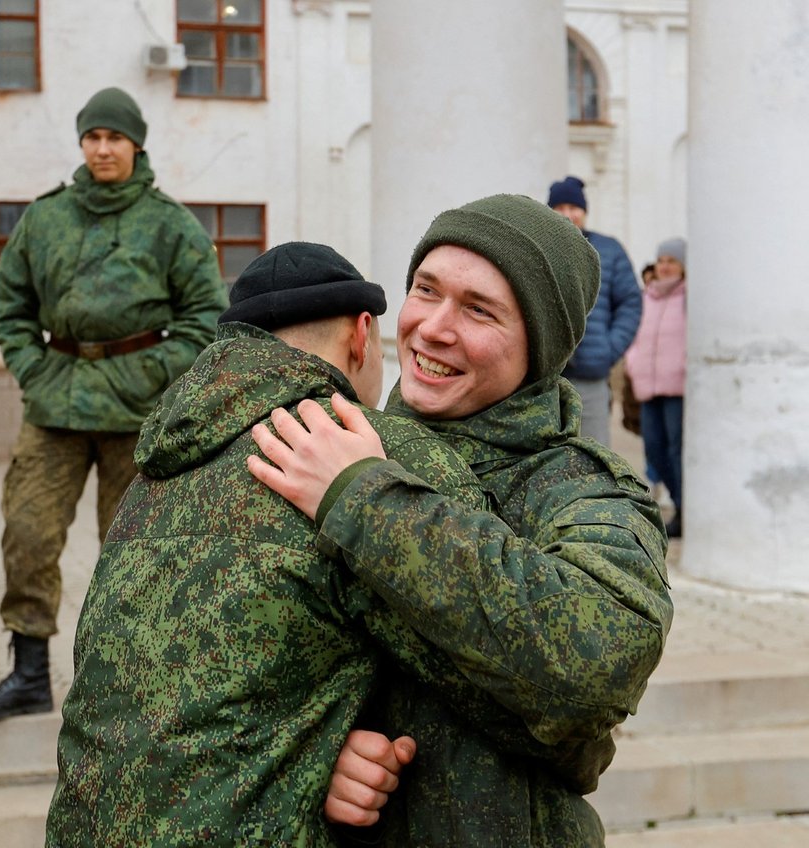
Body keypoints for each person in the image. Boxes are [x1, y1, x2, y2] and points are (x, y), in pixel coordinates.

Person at [47, 242, 601, 845]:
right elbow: (523, 699)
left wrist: (325, 746)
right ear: (362, 336)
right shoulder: (375, 451)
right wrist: (584, 751)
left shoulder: (157, 468)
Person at [249, 196, 673, 846]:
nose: (432, 328)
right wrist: (316, 754)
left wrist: (366, 502)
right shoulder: (327, 448)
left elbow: (599, 660)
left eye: (479, 310)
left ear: (541, 343)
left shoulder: (581, 491)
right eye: (426, 290)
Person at [0, 88, 227, 722]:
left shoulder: (170, 226)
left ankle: (131, 682)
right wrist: (33, 370)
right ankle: (27, 675)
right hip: (55, 405)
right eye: (92, 137)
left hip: (137, 415)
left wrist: (151, 378)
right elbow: (12, 309)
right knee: (27, 533)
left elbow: (205, 319)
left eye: (115, 138)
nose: (103, 149)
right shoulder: (45, 218)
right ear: (82, 144)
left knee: (134, 550)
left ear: (137, 144)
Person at [547, 176, 642, 446]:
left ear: (584, 211)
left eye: (573, 207)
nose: (567, 214)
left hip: (591, 375)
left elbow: (630, 302)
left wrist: (609, 349)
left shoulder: (609, 250)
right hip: (547, 377)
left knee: (594, 451)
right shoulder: (541, 249)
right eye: (559, 207)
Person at [625, 238, 687, 538]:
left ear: (683, 267)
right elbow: (635, 337)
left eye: (671, 261)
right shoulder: (646, 297)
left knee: (677, 451)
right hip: (648, 387)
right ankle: (679, 502)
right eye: (661, 260)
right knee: (654, 448)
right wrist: (633, 365)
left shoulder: (688, 297)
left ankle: (683, 509)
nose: (664, 266)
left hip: (677, 388)